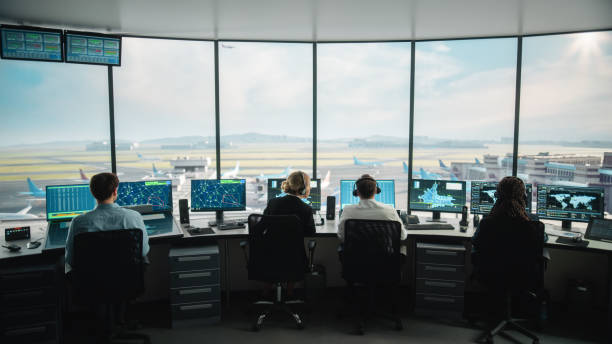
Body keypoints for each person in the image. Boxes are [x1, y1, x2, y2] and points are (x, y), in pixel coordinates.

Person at [65, 172, 150, 274]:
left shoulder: (78, 222)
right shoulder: (134, 217)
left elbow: (71, 260)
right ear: (115, 191)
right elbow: (143, 251)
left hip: (92, 283)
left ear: (93, 193)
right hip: (126, 281)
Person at [337, 174, 407, 256]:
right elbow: (402, 236)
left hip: (356, 263)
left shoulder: (348, 210)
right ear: (376, 191)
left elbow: (341, 237)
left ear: (357, 192)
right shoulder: (390, 210)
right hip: (384, 263)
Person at [263, 170, 316, 236]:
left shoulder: (272, 203)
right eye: (309, 185)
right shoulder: (306, 209)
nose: (310, 188)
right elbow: (311, 233)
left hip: (272, 246)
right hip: (294, 246)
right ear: (303, 189)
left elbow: (261, 226)